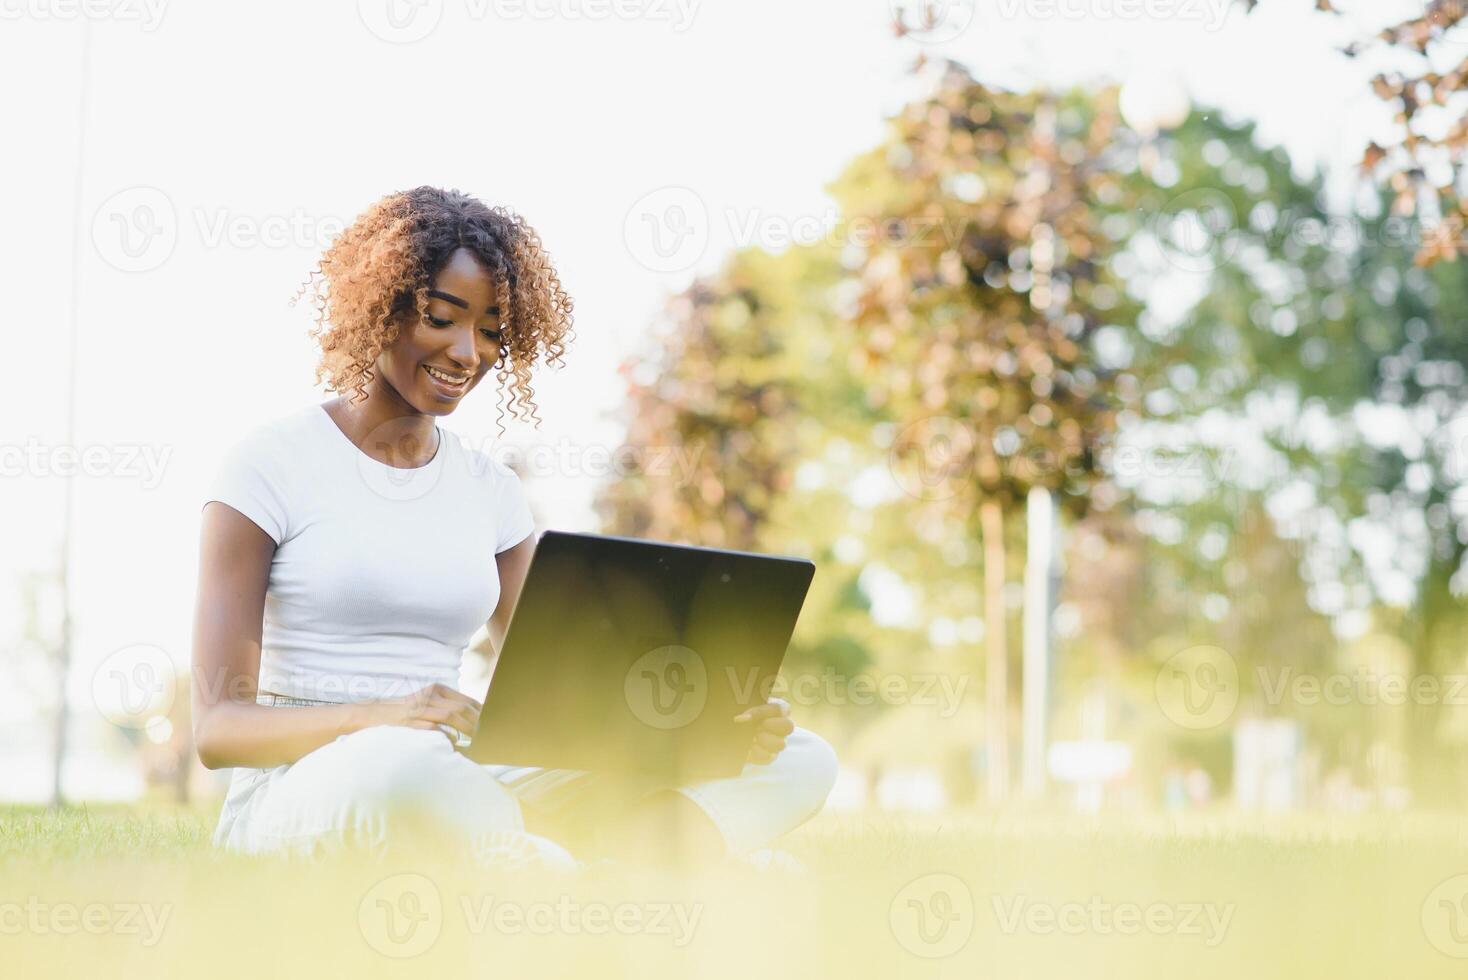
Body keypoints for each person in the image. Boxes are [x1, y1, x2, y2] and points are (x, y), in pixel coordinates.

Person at [191, 186, 837, 869]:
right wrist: (383, 715)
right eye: (442, 318)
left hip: (450, 767)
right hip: (312, 783)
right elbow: (218, 730)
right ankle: (625, 865)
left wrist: (711, 728)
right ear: (379, 308)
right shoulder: (268, 466)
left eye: (492, 331)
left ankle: (593, 864)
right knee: (403, 768)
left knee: (802, 759)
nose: (467, 352)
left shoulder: (491, 493)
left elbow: (564, 702)